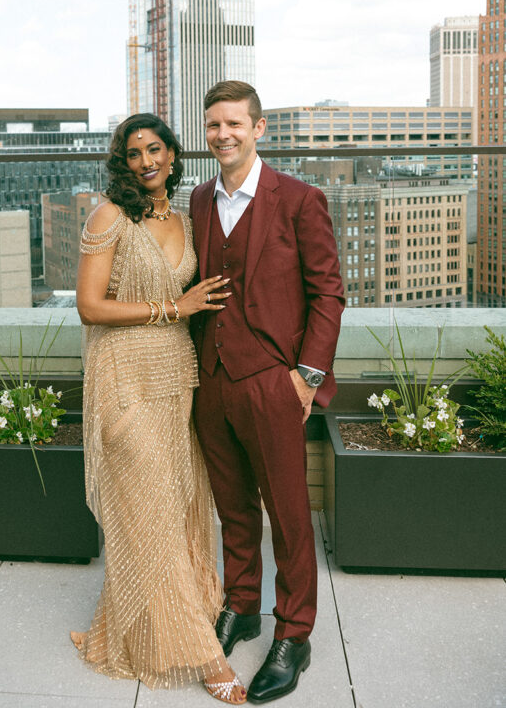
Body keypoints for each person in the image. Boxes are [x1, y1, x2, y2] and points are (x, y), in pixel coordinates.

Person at [71, 113, 248, 704]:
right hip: (123, 379)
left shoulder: (188, 215)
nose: (145, 162)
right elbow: (90, 307)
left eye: (154, 150)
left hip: (177, 379)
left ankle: (156, 626)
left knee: (175, 508)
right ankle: (204, 653)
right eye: (132, 153)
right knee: (149, 507)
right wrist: (174, 308)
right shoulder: (109, 216)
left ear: (173, 154)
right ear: (121, 162)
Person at [189, 81, 345, 704]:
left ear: (259, 130)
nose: (222, 135)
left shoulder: (299, 200)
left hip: (274, 381)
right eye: (212, 126)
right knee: (232, 507)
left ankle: (295, 634)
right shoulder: (199, 200)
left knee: (288, 516)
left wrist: (306, 377)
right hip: (214, 379)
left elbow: (328, 294)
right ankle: (244, 605)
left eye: (233, 124)